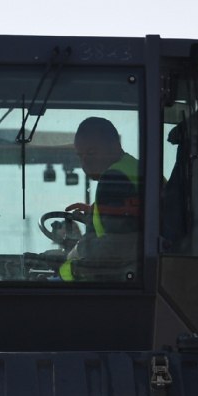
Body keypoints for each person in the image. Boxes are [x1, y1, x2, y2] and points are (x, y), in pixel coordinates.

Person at [58, 116, 141, 281]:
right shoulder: (133, 167)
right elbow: (132, 219)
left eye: (91, 153)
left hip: (125, 282)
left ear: (114, 146)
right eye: (80, 155)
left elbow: (118, 246)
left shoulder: (115, 178)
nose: (85, 162)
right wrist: (94, 212)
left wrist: (75, 255)